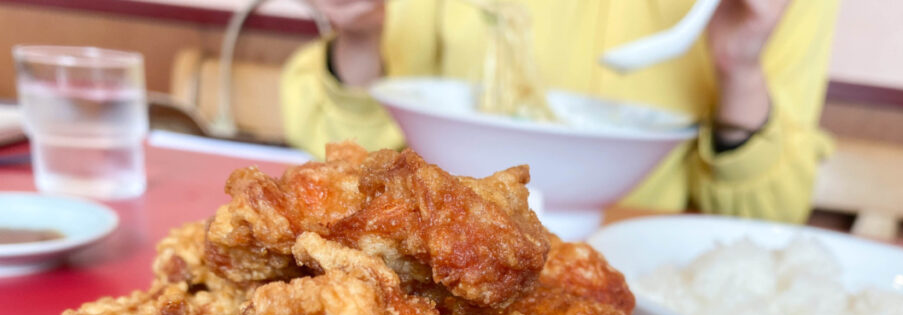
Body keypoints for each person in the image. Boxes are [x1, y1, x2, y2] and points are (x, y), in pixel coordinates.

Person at [281, 0, 839, 222]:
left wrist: (740, 70)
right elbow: (340, 147)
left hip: (636, 279)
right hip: (442, 240)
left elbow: (768, 217)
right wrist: (358, 36)